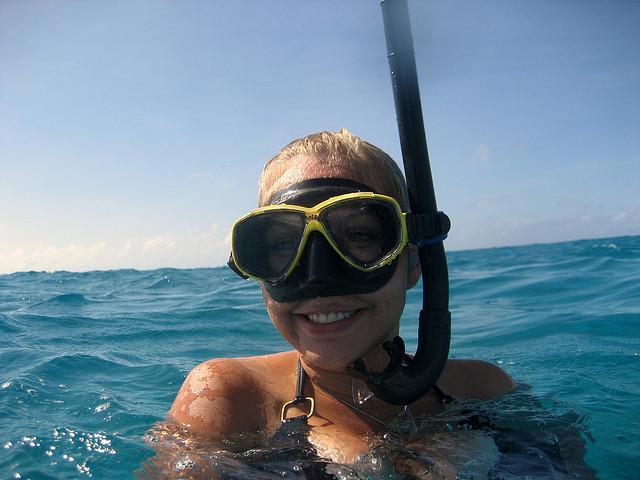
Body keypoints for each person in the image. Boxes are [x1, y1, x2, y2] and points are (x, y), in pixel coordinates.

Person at [167, 129, 516, 468]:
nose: (318, 278)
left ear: (412, 262)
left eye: (359, 235)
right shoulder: (229, 397)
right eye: (284, 244)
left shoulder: (482, 390)